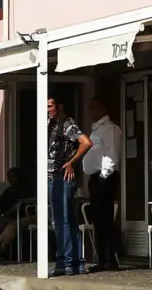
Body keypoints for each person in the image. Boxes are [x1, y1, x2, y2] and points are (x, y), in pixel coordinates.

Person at [48, 98, 93, 276]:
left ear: (59, 107)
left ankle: (66, 262)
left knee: (63, 220)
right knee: (65, 220)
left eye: (50, 106)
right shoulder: (51, 125)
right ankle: (73, 262)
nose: (47, 110)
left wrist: (71, 162)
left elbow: (86, 142)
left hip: (61, 177)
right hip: (54, 176)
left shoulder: (67, 124)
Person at [84, 97, 122, 272]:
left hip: (104, 177)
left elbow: (112, 154)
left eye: (94, 108)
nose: (91, 112)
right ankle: (101, 258)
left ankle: (110, 259)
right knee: (98, 219)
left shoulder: (110, 129)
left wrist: (104, 176)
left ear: (103, 108)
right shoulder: (96, 130)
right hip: (95, 177)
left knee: (106, 218)